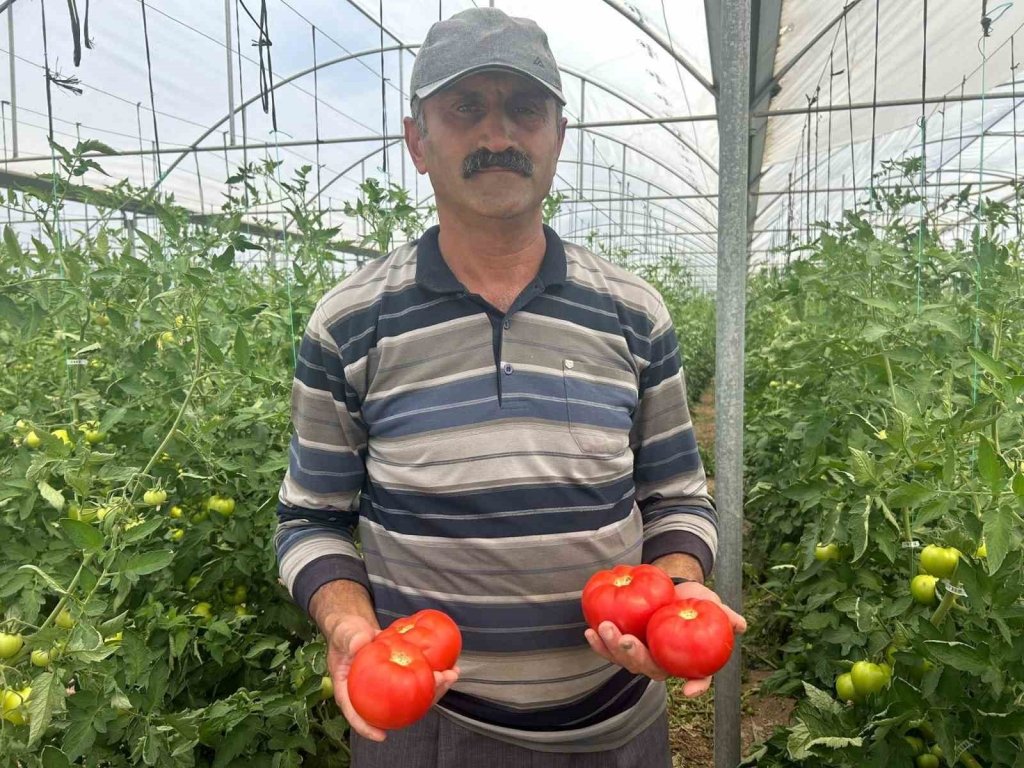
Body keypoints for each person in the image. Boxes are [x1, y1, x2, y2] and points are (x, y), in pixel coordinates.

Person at [274, 7, 745, 766]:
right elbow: (309, 520)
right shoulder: (350, 323)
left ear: (559, 136)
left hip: (617, 727)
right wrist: (348, 625)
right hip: (425, 723)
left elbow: (678, 497)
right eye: (466, 108)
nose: (498, 134)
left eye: (525, 108)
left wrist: (676, 584)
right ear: (417, 141)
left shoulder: (633, 312)